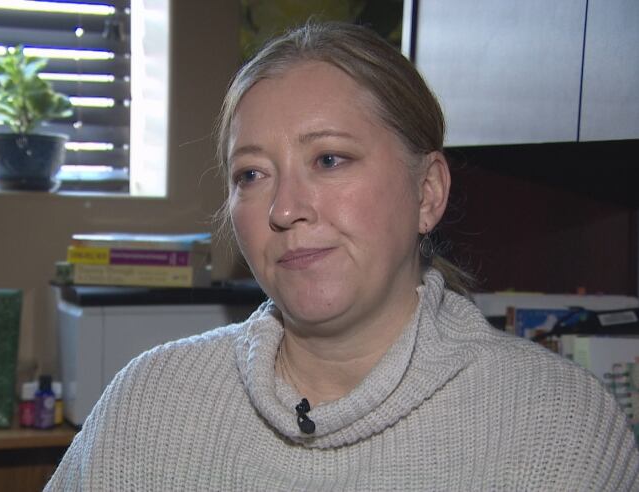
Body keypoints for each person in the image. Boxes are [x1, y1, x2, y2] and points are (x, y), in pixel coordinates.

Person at [46, 22, 639, 490]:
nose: (284, 208)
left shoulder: (562, 428)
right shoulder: (148, 402)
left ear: (427, 191)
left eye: (329, 159)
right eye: (252, 173)